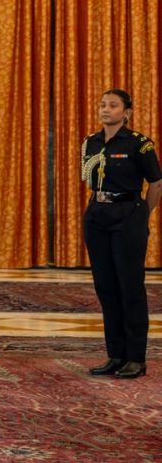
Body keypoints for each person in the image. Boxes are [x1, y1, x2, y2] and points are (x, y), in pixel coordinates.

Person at [81, 88, 162, 380]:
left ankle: (135, 358)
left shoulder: (140, 144)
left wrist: (142, 215)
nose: (105, 109)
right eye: (102, 104)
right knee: (106, 287)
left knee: (130, 287)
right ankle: (115, 354)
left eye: (113, 105)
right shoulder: (91, 142)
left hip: (127, 215)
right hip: (98, 216)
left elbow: (155, 183)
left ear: (126, 112)